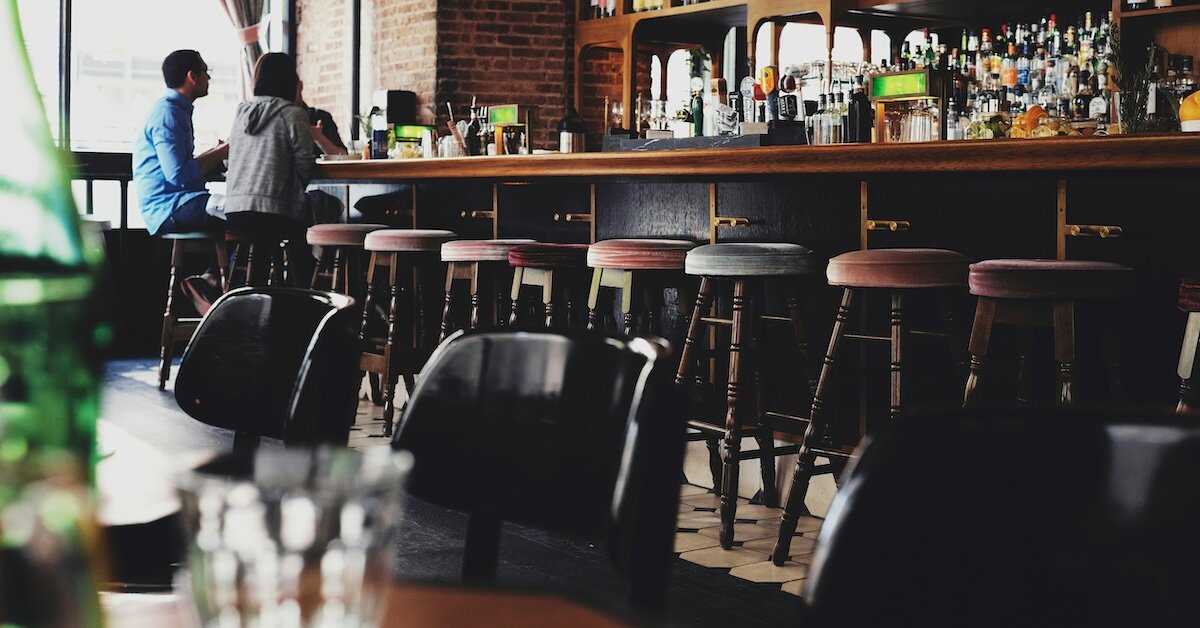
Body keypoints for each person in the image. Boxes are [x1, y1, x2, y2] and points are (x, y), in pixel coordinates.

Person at [223, 52, 344, 285]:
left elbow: (230, 161)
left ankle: (256, 297)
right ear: (290, 80)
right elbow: (305, 167)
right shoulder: (293, 114)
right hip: (275, 212)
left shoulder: (241, 112)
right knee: (323, 208)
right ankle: (304, 293)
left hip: (236, 211)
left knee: (264, 241)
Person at [133, 49, 230, 313]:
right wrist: (221, 153)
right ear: (192, 76)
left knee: (243, 212)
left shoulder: (175, 109)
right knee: (244, 213)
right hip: (168, 206)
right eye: (205, 71)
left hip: (176, 201)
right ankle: (213, 283)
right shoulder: (168, 114)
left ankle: (210, 280)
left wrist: (215, 152)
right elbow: (177, 174)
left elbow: (181, 167)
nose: (209, 77)